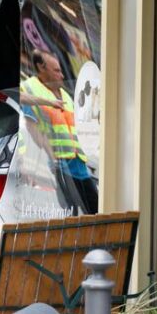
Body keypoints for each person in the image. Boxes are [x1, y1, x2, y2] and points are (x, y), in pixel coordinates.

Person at [20, 49, 98, 214]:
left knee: (95, 211)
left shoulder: (66, 96)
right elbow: (32, 127)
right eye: (56, 70)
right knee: (69, 215)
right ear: (41, 68)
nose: (62, 75)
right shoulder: (29, 89)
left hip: (80, 166)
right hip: (60, 166)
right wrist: (53, 159)